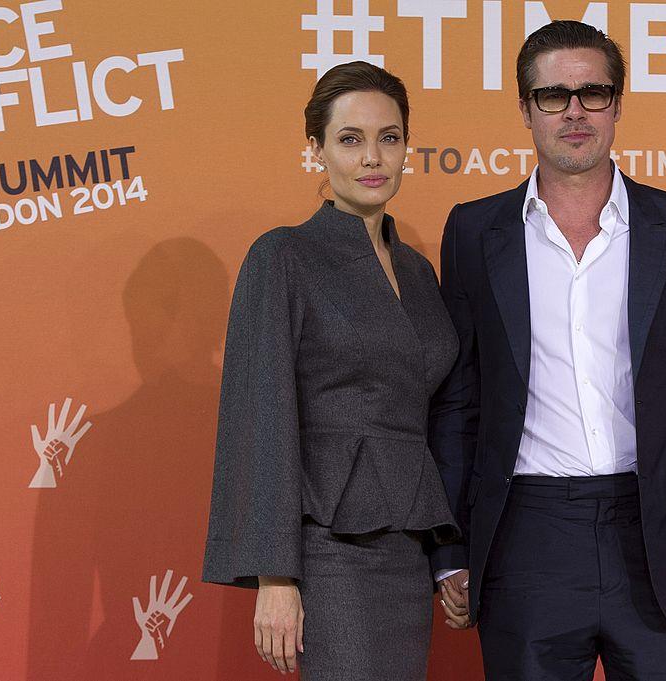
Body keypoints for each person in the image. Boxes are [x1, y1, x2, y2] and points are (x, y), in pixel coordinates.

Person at [429, 21, 666, 681]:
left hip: (657, 537)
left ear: (618, 105)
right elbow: (459, 400)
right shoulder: (472, 230)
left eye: (592, 93)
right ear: (525, 109)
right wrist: (450, 548)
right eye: (552, 96)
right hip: (526, 537)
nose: (574, 111)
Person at [202, 61, 460, 680]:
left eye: (388, 138)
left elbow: (438, 417)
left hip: (408, 549)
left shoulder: (420, 275)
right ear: (316, 150)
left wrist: (451, 554)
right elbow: (261, 416)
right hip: (328, 552)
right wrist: (275, 576)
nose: (372, 157)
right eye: (350, 139)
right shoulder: (283, 255)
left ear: (406, 148)